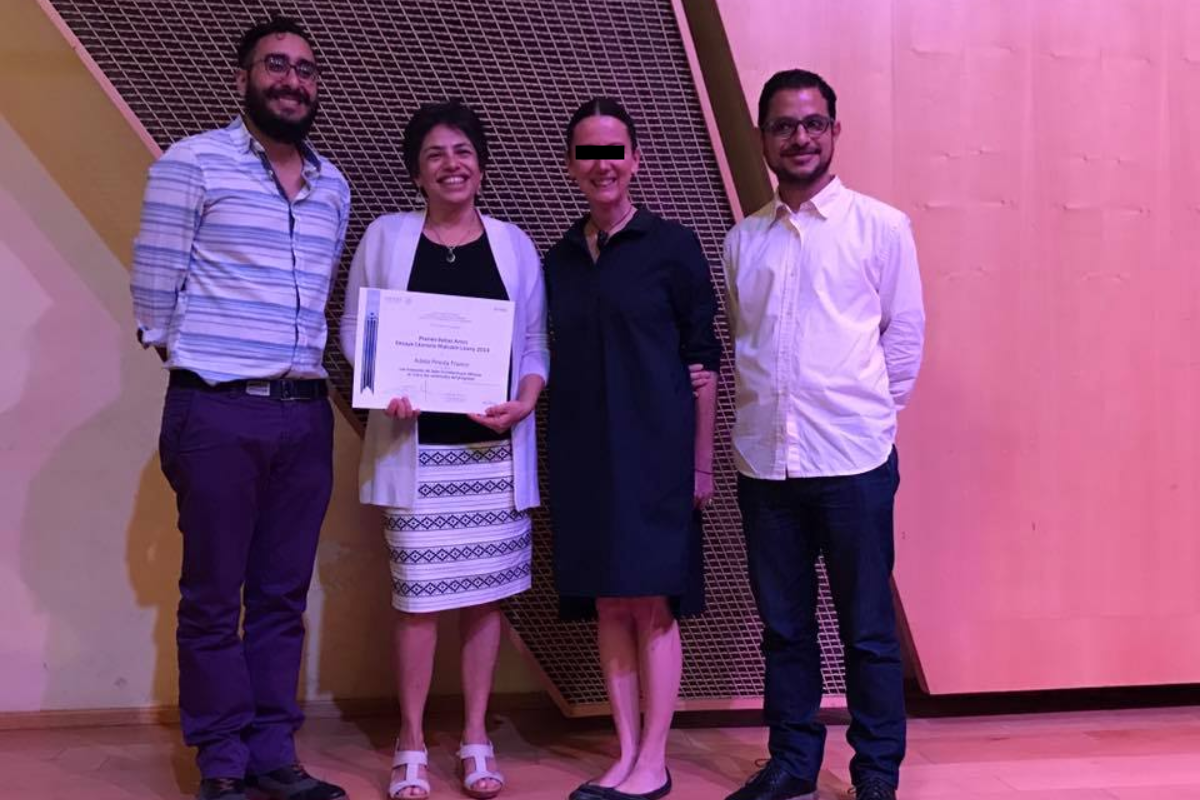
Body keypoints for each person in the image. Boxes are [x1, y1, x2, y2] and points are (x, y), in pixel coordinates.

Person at [130, 16, 350, 800]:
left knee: (284, 595)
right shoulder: (191, 164)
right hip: (219, 415)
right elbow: (154, 301)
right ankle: (221, 763)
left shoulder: (333, 186)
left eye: (305, 69)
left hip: (304, 415)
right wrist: (221, 370)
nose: (292, 81)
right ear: (244, 78)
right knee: (214, 597)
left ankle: (273, 757)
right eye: (275, 66)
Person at [714, 69, 925, 800]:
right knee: (784, 629)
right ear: (764, 138)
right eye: (783, 125)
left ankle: (875, 775)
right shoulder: (743, 242)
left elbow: (903, 344)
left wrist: (865, 417)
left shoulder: (882, 227)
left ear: (835, 130)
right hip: (766, 465)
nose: (798, 137)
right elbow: (746, 343)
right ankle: (794, 764)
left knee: (867, 632)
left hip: (854, 462)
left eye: (812, 123)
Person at [339, 100, 548, 800]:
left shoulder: (515, 245)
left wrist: (526, 399)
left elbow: (534, 345)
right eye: (435, 154)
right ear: (417, 172)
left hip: (492, 454)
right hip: (417, 454)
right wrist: (382, 387)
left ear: (481, 166)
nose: (451, 164)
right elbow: (356, 330)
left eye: (463, 151)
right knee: (419, 602)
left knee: (486, 601)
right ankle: (411, 742)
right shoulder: (387, 236)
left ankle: (478, 737)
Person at [545, 98, 721, 800]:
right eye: (588, 152)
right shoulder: (557, 259)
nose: (602, 164)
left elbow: (705, 365)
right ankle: (622, 755)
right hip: (584, 453)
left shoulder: (673, 248)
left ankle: (655, 758)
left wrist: (701, 463)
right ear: (570, 166)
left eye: (614, 150)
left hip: (658, 452)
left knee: (652, 604)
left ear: (635, 159)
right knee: (609, 604)